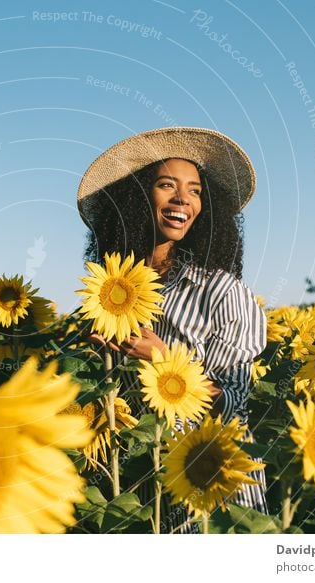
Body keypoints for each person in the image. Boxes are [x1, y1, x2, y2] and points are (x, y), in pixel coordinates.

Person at [77, 127, 268, 532]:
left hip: (213, 495)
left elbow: (233, 404)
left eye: (196, 190)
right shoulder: (103, 292)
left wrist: (164, 362)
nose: (184, 198)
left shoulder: (221, 293)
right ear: (137, 197)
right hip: (137, 490)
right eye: (167, 185)